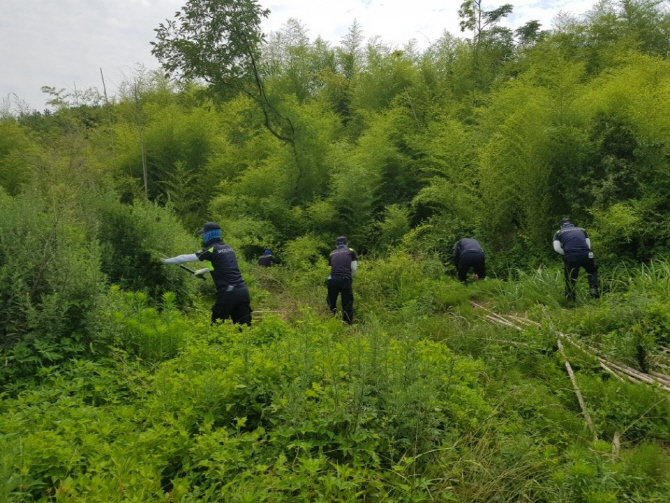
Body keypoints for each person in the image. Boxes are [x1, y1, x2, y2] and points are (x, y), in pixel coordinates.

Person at [162, 222, 252, 325]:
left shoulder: (211, 249)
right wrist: (203, 270)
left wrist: (164, 261)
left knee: (216, 324)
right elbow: (224, 266)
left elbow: (185, 258)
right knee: (244, 327)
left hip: (228, 292)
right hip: (243, 291)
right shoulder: (228, 248)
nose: (202, 237)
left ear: (209, 234)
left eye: (203, 234)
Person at [553, 218, 599, 301]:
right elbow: (588, 245)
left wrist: (567, 253)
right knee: (592, 270)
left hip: (571, 256)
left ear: (561, 226)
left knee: (570, 277)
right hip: (586, 254)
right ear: (572, 224)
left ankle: (571, 298)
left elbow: (557, 248)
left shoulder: (558, 232)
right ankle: (593, 288)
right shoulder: (582, 229)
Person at [327, 236, 358, 325]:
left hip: (332, 279)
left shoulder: (332, 253)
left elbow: (332, 267)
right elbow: (354, 268)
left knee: (331, 301)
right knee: (347, 303)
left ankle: (332, 320)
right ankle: (347, 324)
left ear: (336, 244)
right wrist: (350, 277)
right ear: (347, 243)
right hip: (345, 279)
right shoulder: (351, 251)